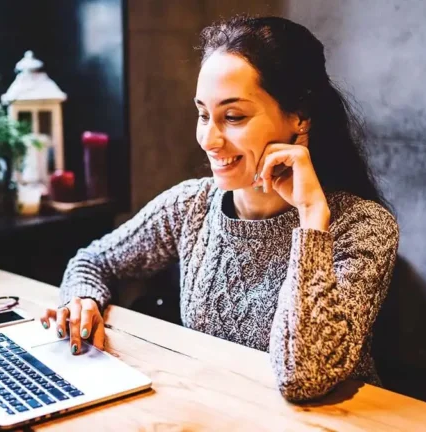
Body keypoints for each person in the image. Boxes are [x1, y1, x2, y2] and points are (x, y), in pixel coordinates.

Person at [38, 15, 399, 402]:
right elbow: (94, 261)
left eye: (233, 117)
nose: (209, 139)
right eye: (203, 114)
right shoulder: (191, 205)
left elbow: (303, 377)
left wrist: (312, 216)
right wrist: (83, 299)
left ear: (300, 117)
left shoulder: (363, 227)